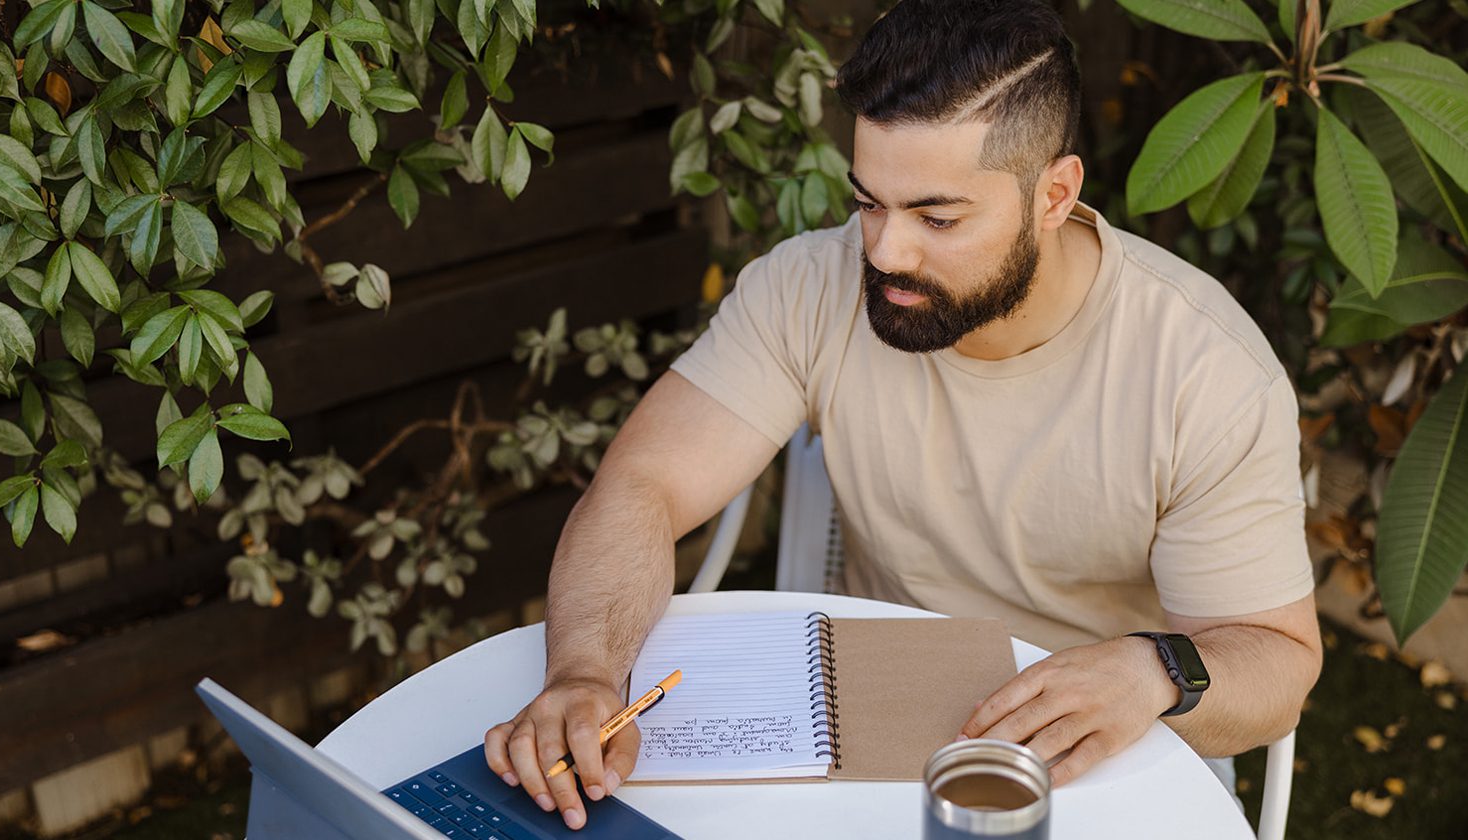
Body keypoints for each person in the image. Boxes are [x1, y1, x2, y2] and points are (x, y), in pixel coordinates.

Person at [483, 0, 1322, 830]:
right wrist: (586, 673)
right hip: (860, 712)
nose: (883, 251)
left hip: (1097, 742)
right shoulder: (809, 285)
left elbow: (1278, 663)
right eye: (868, 201)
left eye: (936, 216)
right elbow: (645, 483)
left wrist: (1155, 672)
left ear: (1055, 195)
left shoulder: (1206, 372)